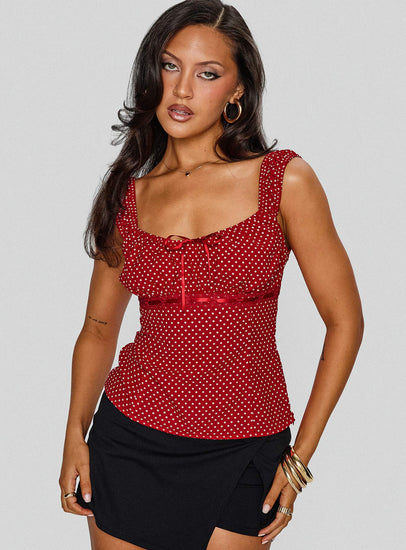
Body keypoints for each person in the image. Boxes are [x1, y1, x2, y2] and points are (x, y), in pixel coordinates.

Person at [58, 1, 364, 549]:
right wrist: (74, 433)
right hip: (128, 440)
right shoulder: (128, 196)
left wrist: (298, 462)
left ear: (237, 90)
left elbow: (345, 323)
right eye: (170, 66)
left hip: (245, 446)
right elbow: (99, 329)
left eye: (207, 73)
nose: (181, 89)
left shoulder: (283, 181)